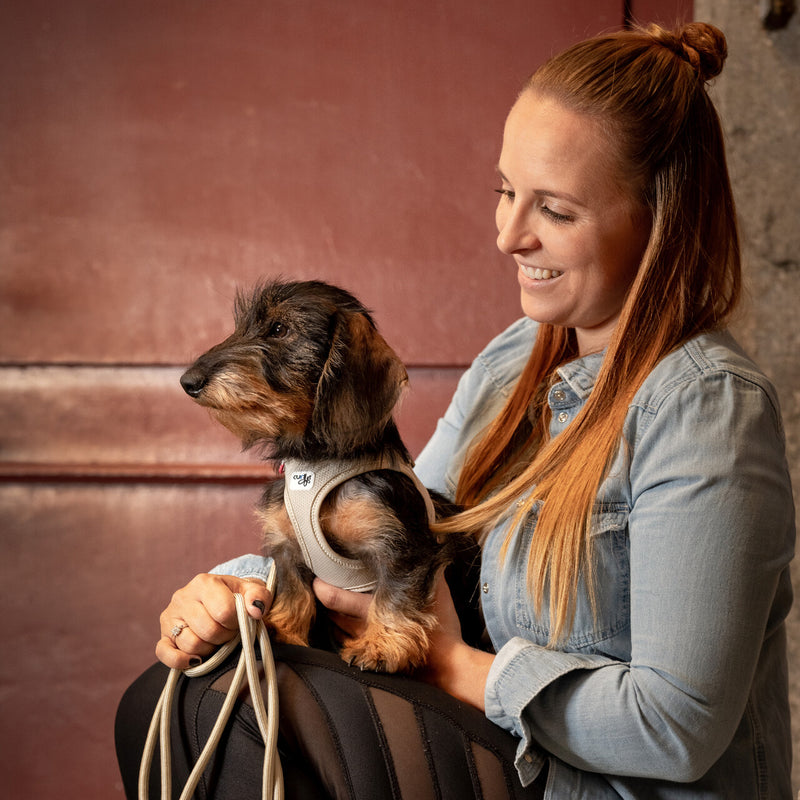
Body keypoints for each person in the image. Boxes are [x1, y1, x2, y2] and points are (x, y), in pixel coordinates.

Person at [116, 21, 796, 799]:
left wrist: (450, 664)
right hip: (495, 760)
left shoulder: (706, 408)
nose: (508, 234)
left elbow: (674, 728)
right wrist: (236, 592)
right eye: (506, 192)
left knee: (232, 727)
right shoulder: (514, 361)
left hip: (586, 785)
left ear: (661, 219)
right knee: (176, 704)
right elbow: (385, 534)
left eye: (557, 211)